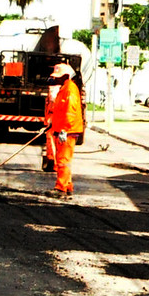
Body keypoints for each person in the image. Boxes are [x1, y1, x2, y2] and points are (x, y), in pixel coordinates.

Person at [43, 62, 85, 198]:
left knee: (62, 160)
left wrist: (64, 130)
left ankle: (60, 188)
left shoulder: (70, 90)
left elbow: (70, 112)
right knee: (63, 160)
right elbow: (60, 111)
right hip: (63, 129)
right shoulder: (65, 88)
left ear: (66, 76)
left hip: (68, 131)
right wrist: (52, 125)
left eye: (58, 76)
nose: (56, 79)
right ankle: (67, 185)